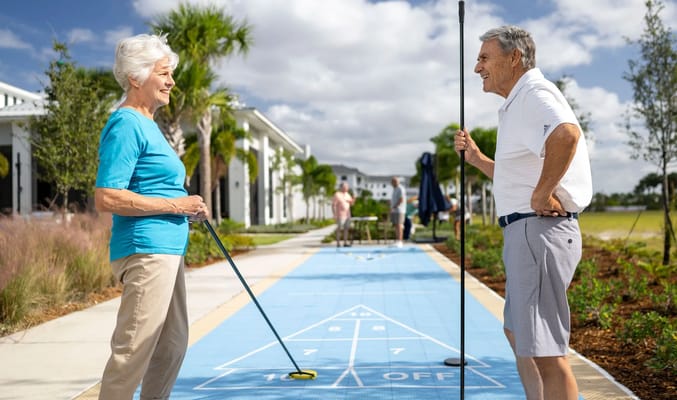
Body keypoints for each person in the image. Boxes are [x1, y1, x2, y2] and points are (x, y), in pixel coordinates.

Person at [455, 26, 592, 400]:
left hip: (538, 231)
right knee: (519, 334)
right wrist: (479, 159)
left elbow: (565, 134)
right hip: (526, 232)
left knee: (546, 350)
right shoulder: (519, 102)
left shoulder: (534, 93)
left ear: (513, 58)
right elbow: (517, 174)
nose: (477, 67)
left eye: (484, 58)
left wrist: (542, 194)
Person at [94, 34, 209, 400]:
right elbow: (107, 196)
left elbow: (156, 189)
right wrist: (178, 205)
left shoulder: (149, 126)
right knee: (133, 353)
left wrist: (188, 207)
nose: (171, 81)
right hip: (146, 250)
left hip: (168, 249)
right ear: (136, 77)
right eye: (164, 73)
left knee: (172, 345)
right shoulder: (126, 123)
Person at [332, 182, 354, 247]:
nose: (347, 188)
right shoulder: (337, 194)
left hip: (348, 215)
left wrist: (353, 200)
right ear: (341, 187)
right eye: (345, 186)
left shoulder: (348, 194)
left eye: (347, 186)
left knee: (346, 228)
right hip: (340, 215)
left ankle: (345, 242)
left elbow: (351, 204)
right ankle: (338, 243)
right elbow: (333, 205)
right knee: (339, 228)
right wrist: (334, 214)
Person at [389, 176, 407, 247]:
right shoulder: (395, 189)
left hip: (400, 210)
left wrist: (394, 207)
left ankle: (400, 241)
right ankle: (397, 240)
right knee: (396, 225)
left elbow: (401, 199)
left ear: (398, 182)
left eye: (395, 181)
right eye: (392, 182)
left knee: (399, 225)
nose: (393, 183)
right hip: (395, 210)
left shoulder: (400, 188)